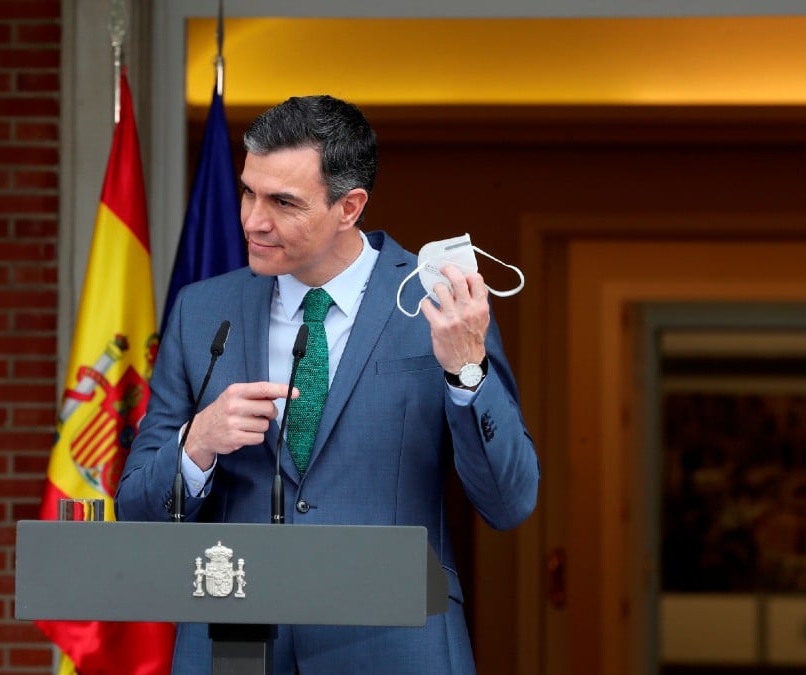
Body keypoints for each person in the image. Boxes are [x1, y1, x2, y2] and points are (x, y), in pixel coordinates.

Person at [114, 94, 540, 674]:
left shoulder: (443, 303)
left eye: (282, 202)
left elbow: (510, 502)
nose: (252, 220)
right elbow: (137, 510)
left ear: (349, 206)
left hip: (395, 646)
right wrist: (197, 444)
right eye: (248, 191)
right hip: (235, 651)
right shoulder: (201, 310)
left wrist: (468, 371)